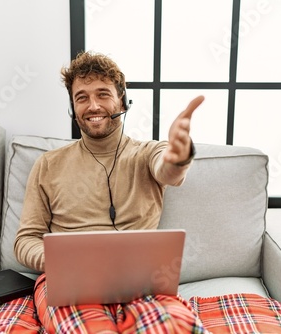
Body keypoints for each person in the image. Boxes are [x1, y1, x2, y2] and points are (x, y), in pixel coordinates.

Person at [14, 51, 207, 333]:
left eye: (103, 94)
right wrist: (65, 261)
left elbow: (169, 170)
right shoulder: (48, 165)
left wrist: (179, 155)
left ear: (122, 101)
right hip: (69, 281)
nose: (93, 105)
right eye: (82, 97)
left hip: (141, 283)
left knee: (175, 328)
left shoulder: (147, 153)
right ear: (73, 107)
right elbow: (25, 240)